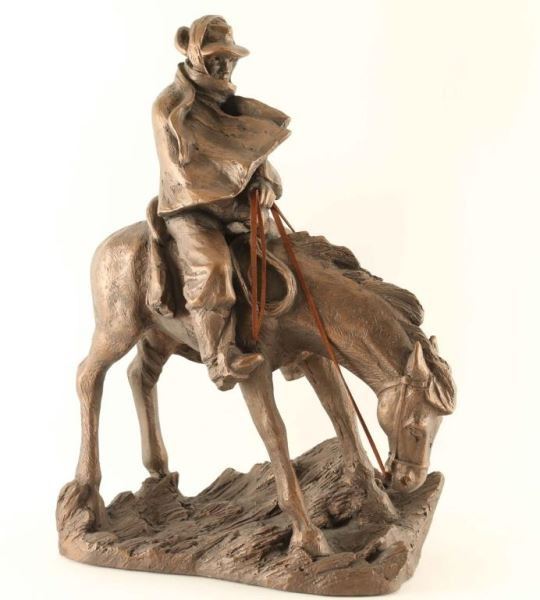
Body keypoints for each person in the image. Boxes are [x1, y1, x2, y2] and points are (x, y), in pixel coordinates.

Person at [152, 15, 291, 390]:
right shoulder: (168, 107)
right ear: (196, 57)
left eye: (229, 59)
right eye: (216, 58)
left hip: (236, 206)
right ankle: (219, 358)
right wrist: (236, 200)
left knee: (285, 253)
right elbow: (185, 173)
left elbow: (251, 157)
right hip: (191, 210)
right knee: (212, 268)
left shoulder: (232, 106)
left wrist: (264, 184)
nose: (224, 66)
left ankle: (291, 345)